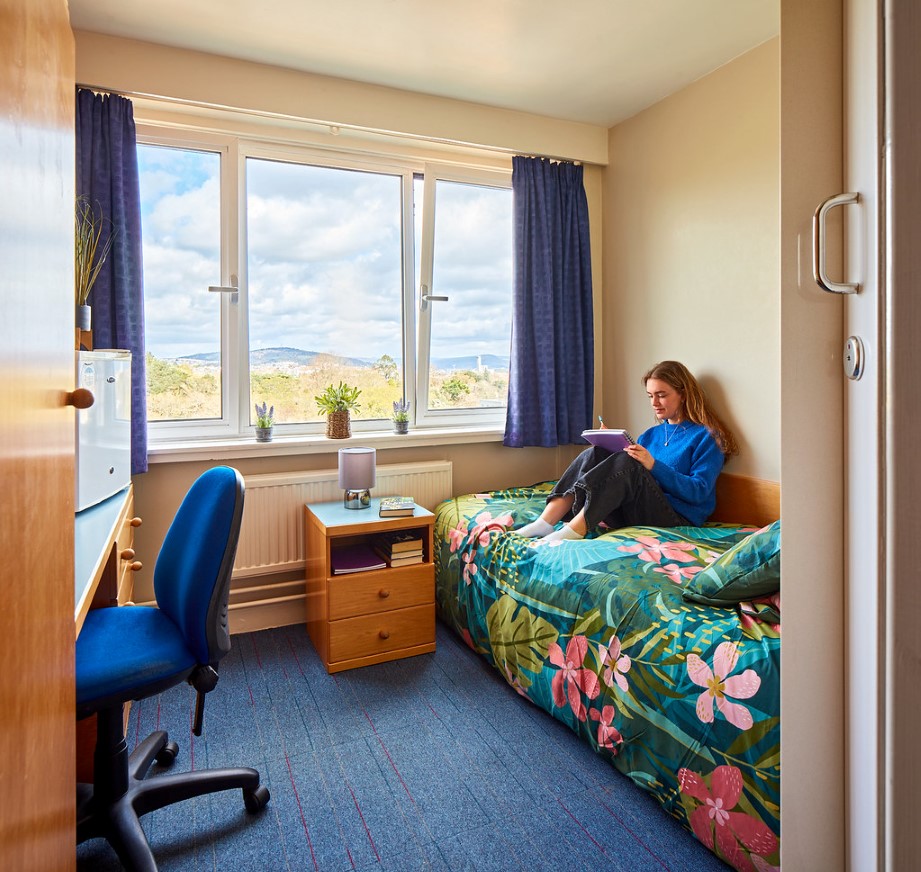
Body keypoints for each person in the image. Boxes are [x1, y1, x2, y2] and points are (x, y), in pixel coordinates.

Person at [515, 360, 739, 545]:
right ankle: (545, 522)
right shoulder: (652, 434)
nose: (655, 403)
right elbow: (632, 479)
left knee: (628, 462)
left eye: (661, 395)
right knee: (597, 452)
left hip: (676, 518)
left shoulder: (707, 437)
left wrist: (653, 465)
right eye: (650, 396)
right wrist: (609, 445)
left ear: (683, 394)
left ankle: (574, 530)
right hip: (634, 511)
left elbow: (698, 492)